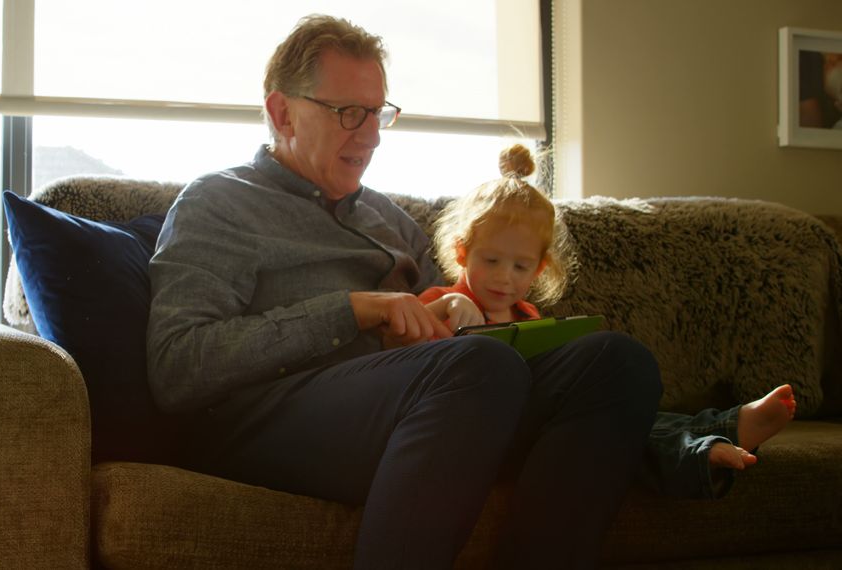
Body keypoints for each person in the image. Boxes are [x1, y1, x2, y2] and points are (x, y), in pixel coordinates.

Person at [147, 14, 662, 569]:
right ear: (282, 112)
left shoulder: (386, 217)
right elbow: (178, 367)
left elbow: (453, 342)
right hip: (266, 418)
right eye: (348, 113)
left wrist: (454, 310)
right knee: (478, 368)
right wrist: (353, 311)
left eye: (377, 114)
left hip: (420, 406)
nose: (369, 136)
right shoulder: (218, 203)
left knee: (615, 361)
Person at [420, 143, 798, 499]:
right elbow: (406, 372)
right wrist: (447, 307)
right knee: (602, 426)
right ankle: (718, 434)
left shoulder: (528, 316)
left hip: (551, 426)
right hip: (494, 430)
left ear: (540, 269)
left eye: (521, 266)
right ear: (462, 251)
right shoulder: (446, 304)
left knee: (617, 418)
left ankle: (713, 437)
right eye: (491, 261)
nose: (505, 277)